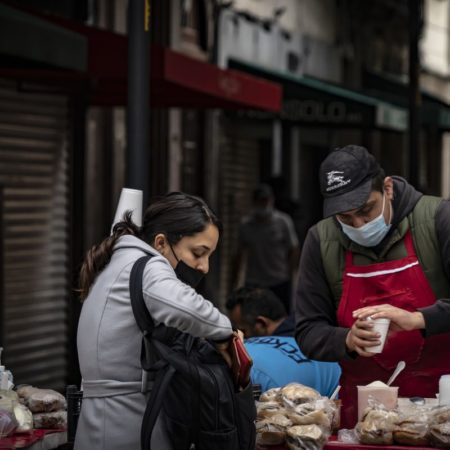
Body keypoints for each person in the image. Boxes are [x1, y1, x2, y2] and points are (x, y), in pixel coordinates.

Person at [294, 145, 450, 427]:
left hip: (441, 411)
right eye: (345, 218)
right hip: (364, 419)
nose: (359, 223)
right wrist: (347, 340)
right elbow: (308, 330)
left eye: (366, 210)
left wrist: (418, 319)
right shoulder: (321, 240)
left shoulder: (439, 220)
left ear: (387, 188)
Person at [74, 192, 233, 450]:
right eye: (198, 253)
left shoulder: (116, 264)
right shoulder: (148, 266)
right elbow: (187, 309)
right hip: (123, 425)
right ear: (161, 243)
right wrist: (226, 333)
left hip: (100, 422)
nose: (204, 267)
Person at [227, 287, 341, 396]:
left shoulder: (255, 363)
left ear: (261, 324)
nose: (240, 336)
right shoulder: (315, 336)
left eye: (243, 330)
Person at [234, 184, 300, 313]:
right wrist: (235, 282)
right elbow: (239, 254)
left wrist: (291, 274)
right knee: (253, 318)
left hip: (279, 281)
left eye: (266, 200)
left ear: (271, 201)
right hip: (254, 282)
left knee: (280, 318)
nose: (264, 204)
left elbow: (294, 249)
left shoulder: (283, 222)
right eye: (260, 200)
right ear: (254, 202)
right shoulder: (246, 225)